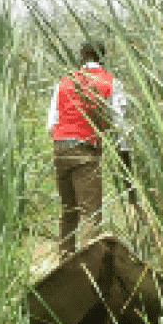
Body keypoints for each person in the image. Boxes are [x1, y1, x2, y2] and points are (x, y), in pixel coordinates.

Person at [46, 41, 129, 255]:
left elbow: (51, 125)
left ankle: (65, 262)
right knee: (91, 215)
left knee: (69, 211)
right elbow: (120, 127)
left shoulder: (64, 82)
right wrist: (125, 165)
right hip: (85, 150)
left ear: (81, 58)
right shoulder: (111, 83)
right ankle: (87, 270)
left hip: (60, 149)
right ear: (103, 58)